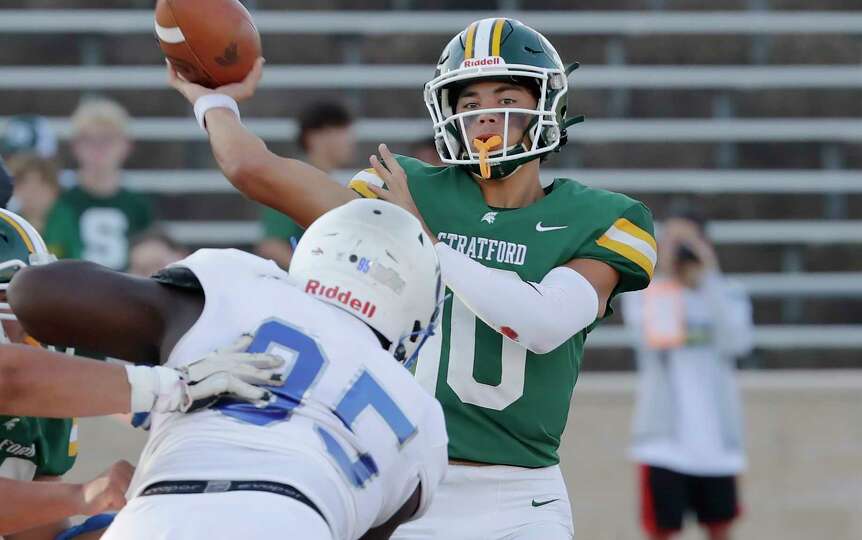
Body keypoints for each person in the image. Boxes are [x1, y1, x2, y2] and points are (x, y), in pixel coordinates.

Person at [167, 16, 657, 539]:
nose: (486, 117)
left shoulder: (603, 216)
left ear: (544, 105)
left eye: (506, 98)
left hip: (518, 499)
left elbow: (543, 323)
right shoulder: (404, 187)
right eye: (469, 105)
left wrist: (424, 238)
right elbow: (252, 169)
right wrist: (212, 100)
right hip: (400, 484)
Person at [8, 198, 448, 540]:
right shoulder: (425, 420)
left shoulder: (241, 285)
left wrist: (167, 384)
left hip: (158, 517)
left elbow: (35, 292)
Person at [0, 208, 266, 539]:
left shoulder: (43, 392)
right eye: (5, 297)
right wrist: (167, 387)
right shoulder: (22, 378)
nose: (29, 318)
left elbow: (34, 536)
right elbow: (10, 376)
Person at [621, 207, 754, 540]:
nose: (679, 247)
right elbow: (652, 340)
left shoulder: (728, 292)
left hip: (716, 442)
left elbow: (736, 343)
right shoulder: (646, 293)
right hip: (664, 440)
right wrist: (665, 274)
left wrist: (708, 277)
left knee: (721, 527)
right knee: (663, 530)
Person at [43, 99, 152, 271]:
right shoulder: (60, 202)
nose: (98, 149)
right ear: (75, 146)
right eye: (89, 140)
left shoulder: (138, 205)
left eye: (107, 139)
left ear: (126, 145)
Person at [257, 101, 355, 269]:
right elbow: (272, 246)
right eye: (342, 132)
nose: (351, 141)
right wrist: (310, 279)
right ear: (316, 137)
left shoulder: (328, 183)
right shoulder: (292, 181)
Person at [6, 153, 61, 234]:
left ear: (53, 189)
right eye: (27, 189)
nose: (33, 196)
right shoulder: (10, 225)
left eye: (39, 188)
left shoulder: (68, 217)